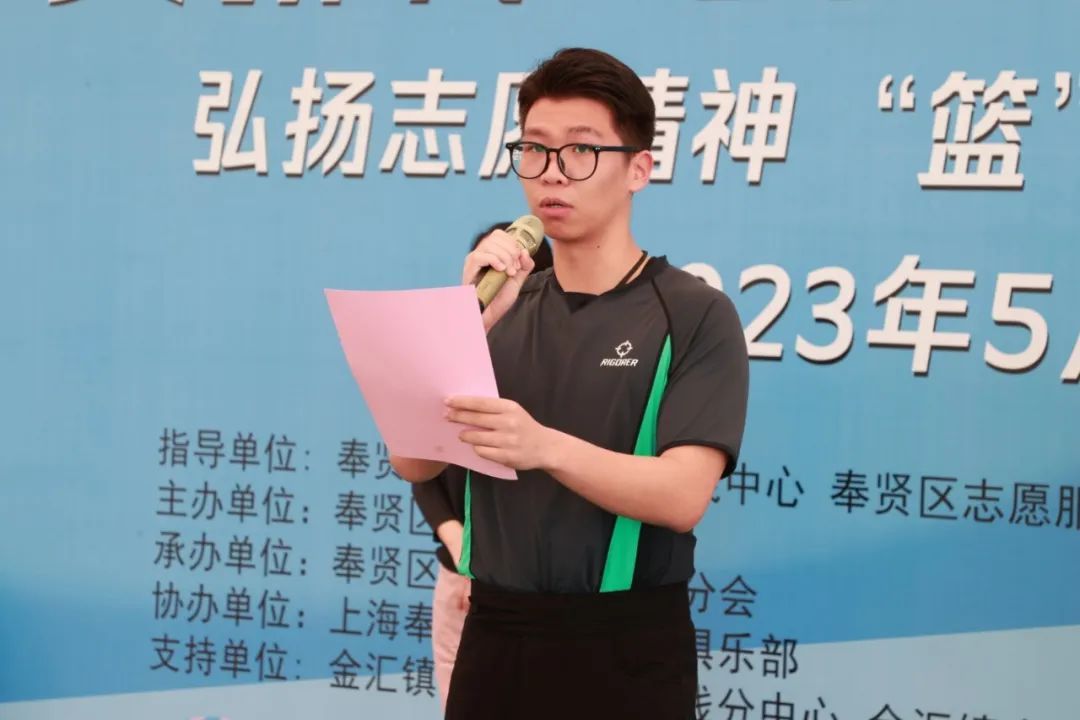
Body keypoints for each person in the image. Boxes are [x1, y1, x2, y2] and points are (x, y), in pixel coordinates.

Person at [391, 47, 749, 720]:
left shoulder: (694, 313)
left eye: (581, 150)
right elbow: (413, 461)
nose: (552, 172)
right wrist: (464, 328)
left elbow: (682, 496)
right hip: (495, 635)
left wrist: (544, 447)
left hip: (625, 645)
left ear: (639, 168)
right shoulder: (499, 305)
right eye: (535, 149)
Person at [410, 222, 553, 713]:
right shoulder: (453, 358)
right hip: (460, 571)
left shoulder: (546, 367)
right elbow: (419, 466)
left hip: (529, 587)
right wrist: (461, 551)